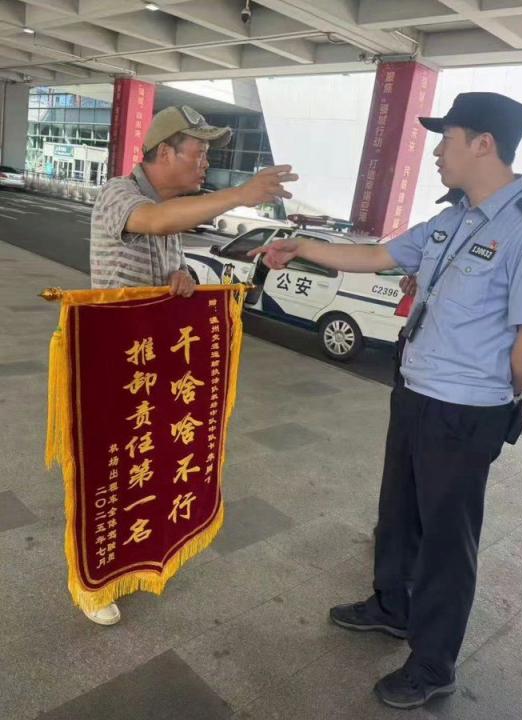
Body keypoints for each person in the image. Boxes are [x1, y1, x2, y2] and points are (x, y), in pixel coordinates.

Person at [250, 92, 522, 710]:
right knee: (399, 512)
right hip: (413, 391)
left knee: (446, 540)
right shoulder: (453, 219)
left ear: (483, 144)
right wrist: (300, 247)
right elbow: (379, 255)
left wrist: (490, 395)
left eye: (447, 139)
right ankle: (391, 606)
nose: (437, 152)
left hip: (465, 411)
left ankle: (433, 662)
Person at [88, 105, 297, 625]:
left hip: (152, 365)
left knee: (144, 469)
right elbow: (152, 221)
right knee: (105, 475)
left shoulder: (171, 212)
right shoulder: (120, 194)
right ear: (164, 152)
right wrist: (242, 195)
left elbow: (171, 257)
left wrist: (180, 277)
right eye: (198, 153)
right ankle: (92, 581)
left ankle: (131, 557)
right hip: (112, 365)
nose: (205, 164)